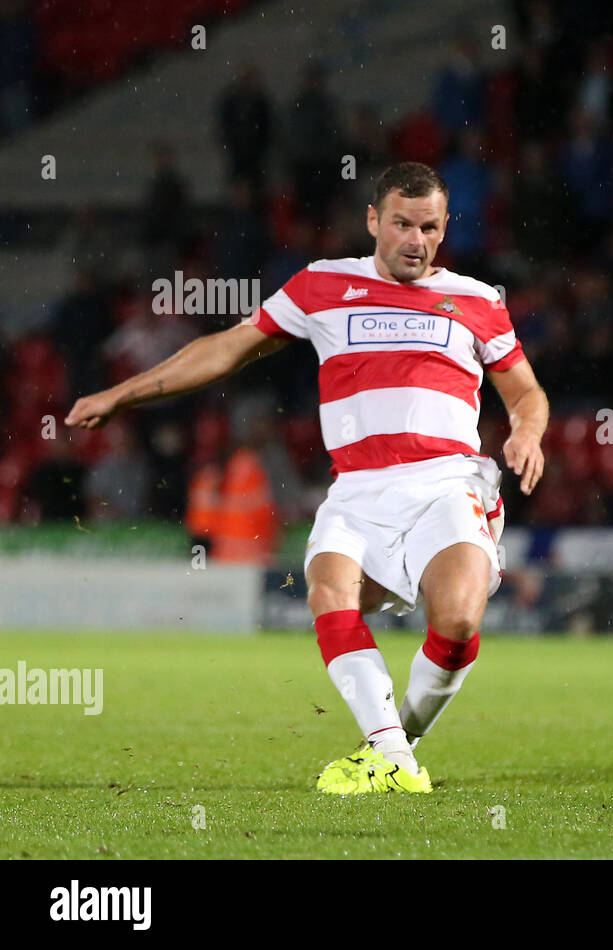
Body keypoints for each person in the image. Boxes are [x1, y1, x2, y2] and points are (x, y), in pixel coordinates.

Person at [66, 162, 549, 795]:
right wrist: (126, 393)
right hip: (356, 489)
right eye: (401, 223)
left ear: (444, 226)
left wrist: (527, 430)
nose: (415, 240)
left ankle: (391, 746)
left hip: (445, 481)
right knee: (328, 588)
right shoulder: (323, 286)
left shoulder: (479, 301)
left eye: (429, 227)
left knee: (457, 621)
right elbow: (228, 348)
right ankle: (392, 759)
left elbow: (527, 392)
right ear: (373, 220)